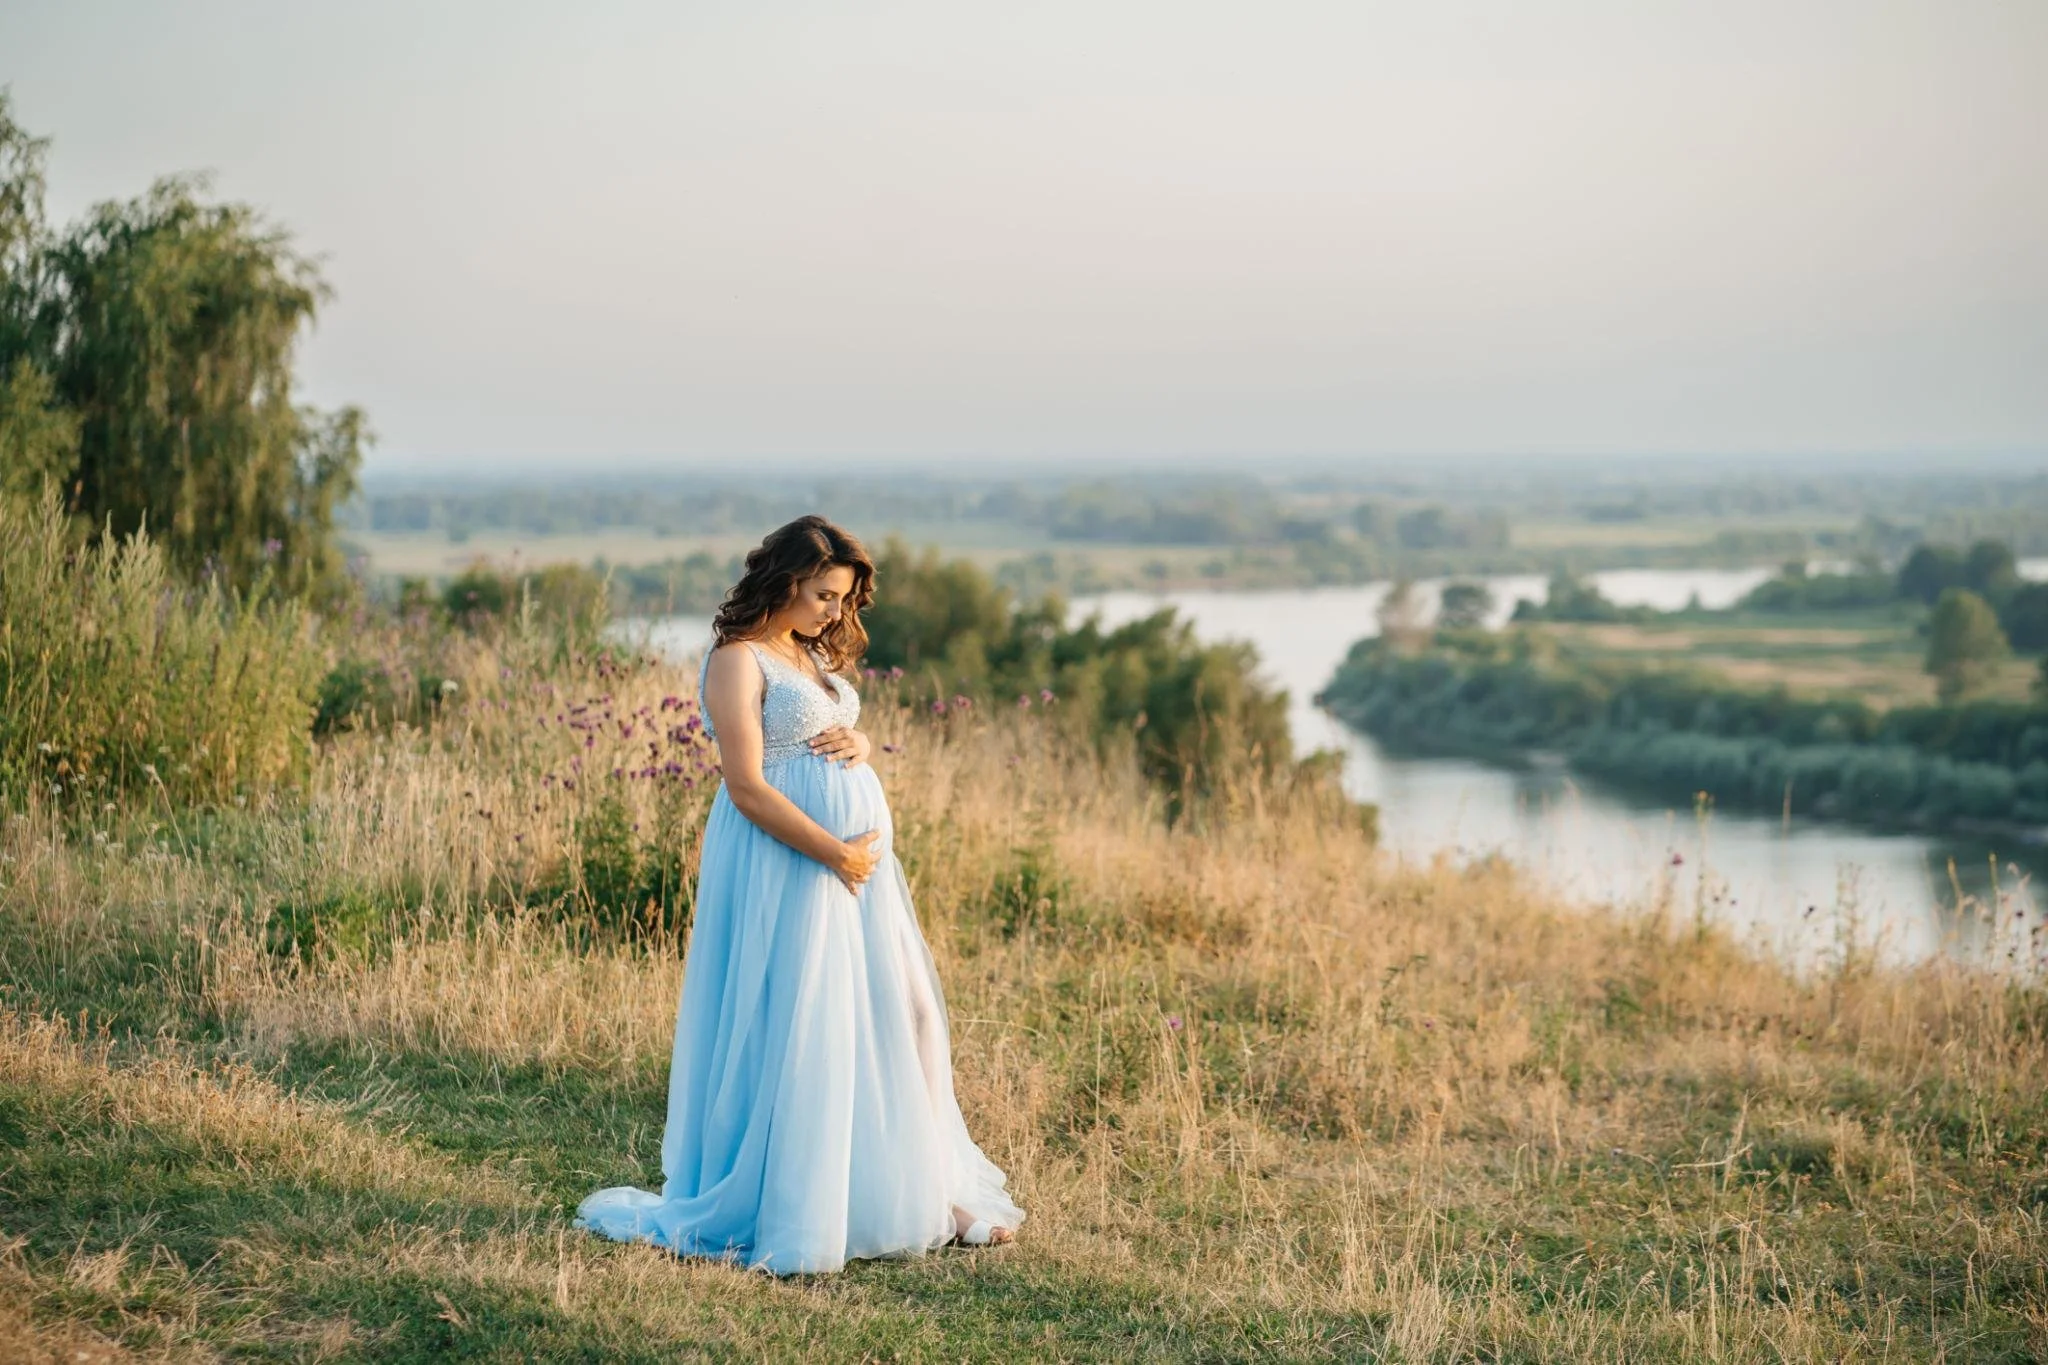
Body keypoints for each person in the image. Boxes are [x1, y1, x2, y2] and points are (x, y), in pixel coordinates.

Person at [576, 515, 1025, 1274]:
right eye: (821, 594)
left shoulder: (806, 653)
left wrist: (863, 744)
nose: (833, 611)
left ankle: (927, 1190)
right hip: (791, 863)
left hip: (856, 873)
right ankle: (810, 1202)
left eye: (842, 598)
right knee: (811, 1022)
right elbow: (747, 785)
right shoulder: (737, 659)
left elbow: (830, 729)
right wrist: (836, 853)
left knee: (904, 1013)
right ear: (783, 581)